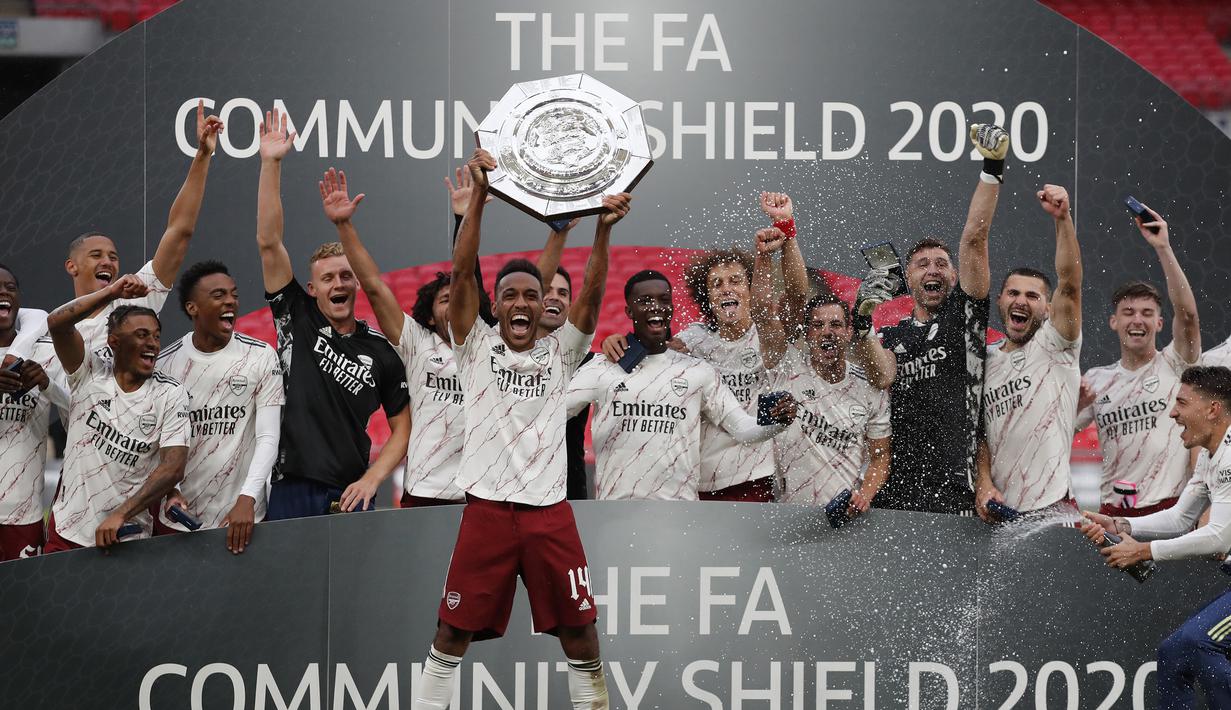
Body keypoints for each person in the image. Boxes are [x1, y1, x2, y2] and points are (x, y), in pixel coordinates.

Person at [412, 147, 628, 710]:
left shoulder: (562, 352)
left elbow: (594, 294)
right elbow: (463, 270)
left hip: (550, 513)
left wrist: (601, 233)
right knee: (450, 634)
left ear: (543, 304)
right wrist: (479, 196)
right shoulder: (475, 345)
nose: (521, 303)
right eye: (509, 295)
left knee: (581, 635)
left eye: (533, 294)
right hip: (486, 510)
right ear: (496, 306)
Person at [255, 108, 410, 519]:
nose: (338, 284)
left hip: (351, 492)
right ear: (312, 289)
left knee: (356, 587)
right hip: (292, 485)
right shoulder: (296, 316)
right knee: (290, 584)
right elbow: (270, 243)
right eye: (328, 279)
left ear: (357, 283)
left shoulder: (382, 350)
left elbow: (402, 428)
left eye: (346, 276)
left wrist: (373, 479)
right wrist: (271, 163)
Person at [850, 124, 1008, 515]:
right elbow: (883, 375)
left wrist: (992, 167)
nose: (933, 269)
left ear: (954, 276)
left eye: (942, 264)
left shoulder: (965, 319)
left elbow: (974, 238)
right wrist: (863, 324)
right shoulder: (892, 333)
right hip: (894, 489)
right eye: (922, 264)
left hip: (955, 486)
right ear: (909, 278)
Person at [566, 270, 796, 500]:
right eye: (645, 301)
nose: (655, 306)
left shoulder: (698, 371)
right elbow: (551, 416)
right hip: (615, 514)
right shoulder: (602, 367)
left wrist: (778, 422)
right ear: (628, 310)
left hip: (680, 514)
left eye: (664, 300)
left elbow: (743, 429)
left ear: (672, 308)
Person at [1079, 366, 1231, 709]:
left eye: (1181, 402)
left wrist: (1143, 551)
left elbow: (1220, 538)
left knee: (1199, 643)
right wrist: (1124, 526)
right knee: (1174, 653)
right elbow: (1181, 517)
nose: (1173, 412)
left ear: (1212, 410)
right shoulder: (1211, 454)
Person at [323, 167, 466, 507]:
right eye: (446, 300)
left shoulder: (489, 346)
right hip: (424, 491)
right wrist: (344, 225)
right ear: (429, 316)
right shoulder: (417, 342)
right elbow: (372, 285)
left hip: (480, 495)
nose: (456, 304)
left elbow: (469, 274)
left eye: (461, 299)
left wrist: (467, 217)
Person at [655, 191, 810, 502]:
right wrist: (619, 341)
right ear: (707, 298)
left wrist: (784, 234)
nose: (727, 288)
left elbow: (796, 296)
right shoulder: (694, 339)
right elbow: (653, 350)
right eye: (717, 284)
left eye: (736, 280)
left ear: (750, 288)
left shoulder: (767, 334)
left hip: (753, 478)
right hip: (698, 483)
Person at [60, 101, 222, 355]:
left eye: (113, 257)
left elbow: (179, 231)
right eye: (96, 255)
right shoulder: (56, 328)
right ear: (72, 266)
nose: (107, 262)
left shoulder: (135, 302)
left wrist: (203, 155)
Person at [43, 276, 190, 551]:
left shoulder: (170, 393)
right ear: (114, 341)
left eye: (156, 336)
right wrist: (110, 293)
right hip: (68, 531)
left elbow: (173, 467)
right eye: (141, 335)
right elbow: (57, 323)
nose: (153, 343)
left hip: (128, 538)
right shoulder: (88, 372)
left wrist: (121, 514)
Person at [1075, 202, 1201, 517]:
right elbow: (1058, 434)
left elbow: (1187, 315)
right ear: (1113, 322)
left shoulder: (1175, 364)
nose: (1137, 321)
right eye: (1128, 313)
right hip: (1113, 513)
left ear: (1159, 324)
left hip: (1169, 510)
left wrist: (1163, 248)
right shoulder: (1097, 379)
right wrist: (1075, 407)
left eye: (1147, 314)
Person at [153, 261, 283, 553]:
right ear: (192, 308)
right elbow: (157, 446)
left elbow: (267, 436)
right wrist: (170, 492)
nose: (230, 302)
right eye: (218, 295)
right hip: (179, 521)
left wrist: (248, 497)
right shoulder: (165, 364)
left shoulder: (261, 356)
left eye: (234, 295)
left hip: (240, 518)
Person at [975, 184, 1082, 519]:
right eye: (1013, 293)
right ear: (1000, 301)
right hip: (998, 514)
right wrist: (983, 483)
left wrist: (1063, 219)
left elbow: (1070, 282)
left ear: (1048, 309)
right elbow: (979, 436)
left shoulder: (1055, 345)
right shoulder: (983, 360)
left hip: (1052, 510)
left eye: (1032, 296)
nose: (1021, 300)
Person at [762, 289, 891, 512]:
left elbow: (880, 458)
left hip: (842, 515)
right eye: (818, 325)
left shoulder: (869, 386)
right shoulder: (788, 367)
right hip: (787, 512)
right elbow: (764, 316)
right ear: (807, 333)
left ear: (849, 332)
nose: (827, 332)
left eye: (836, 325)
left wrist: (864, 495)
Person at [0, 264, 68, 560]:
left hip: (22, 511)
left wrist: (47, 384)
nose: (4, 292)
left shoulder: (45, 351)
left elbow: (77, 408)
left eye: (10, 288)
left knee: (23, 604)